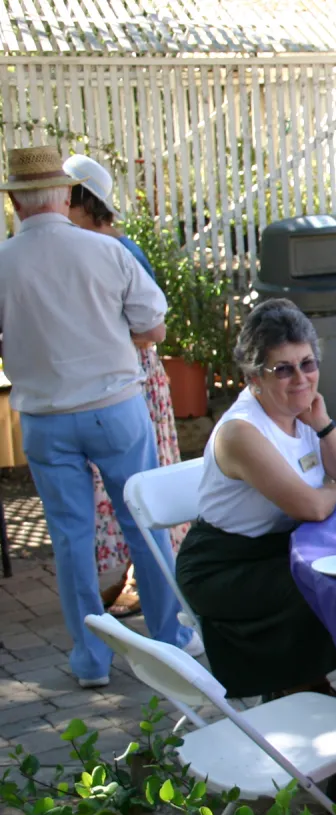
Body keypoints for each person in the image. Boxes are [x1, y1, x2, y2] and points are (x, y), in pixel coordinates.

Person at [0, 145, 198, 688]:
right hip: (113, 406)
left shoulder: (4, 260)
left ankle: (90, 657)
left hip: (44, 414)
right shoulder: (105, 250)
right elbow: (152, 325)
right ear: (66, 195)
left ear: (16, 202)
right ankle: (168, 638)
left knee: (70, 537)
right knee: (143, 523)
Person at [176, 299, 336, 698]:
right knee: (327, 585)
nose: (301, 378)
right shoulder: (241, 432)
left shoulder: (302, 414)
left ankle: (321, 689)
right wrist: (334, 489)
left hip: (283, 550)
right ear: (254, 377)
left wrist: (323, 424)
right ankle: (304, 692)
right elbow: (312, 507)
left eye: (308, 364)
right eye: (283, 369)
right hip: (225, 567)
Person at [64, 153, 186, 620]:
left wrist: (98, 337)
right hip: (107, 380)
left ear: (84, 202)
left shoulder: (120, 248)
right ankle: (133, 573)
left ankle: (145, 578)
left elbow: (153, 328)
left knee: (141, 480)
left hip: (133, 379)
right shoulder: (84, 248)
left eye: (67, 198)